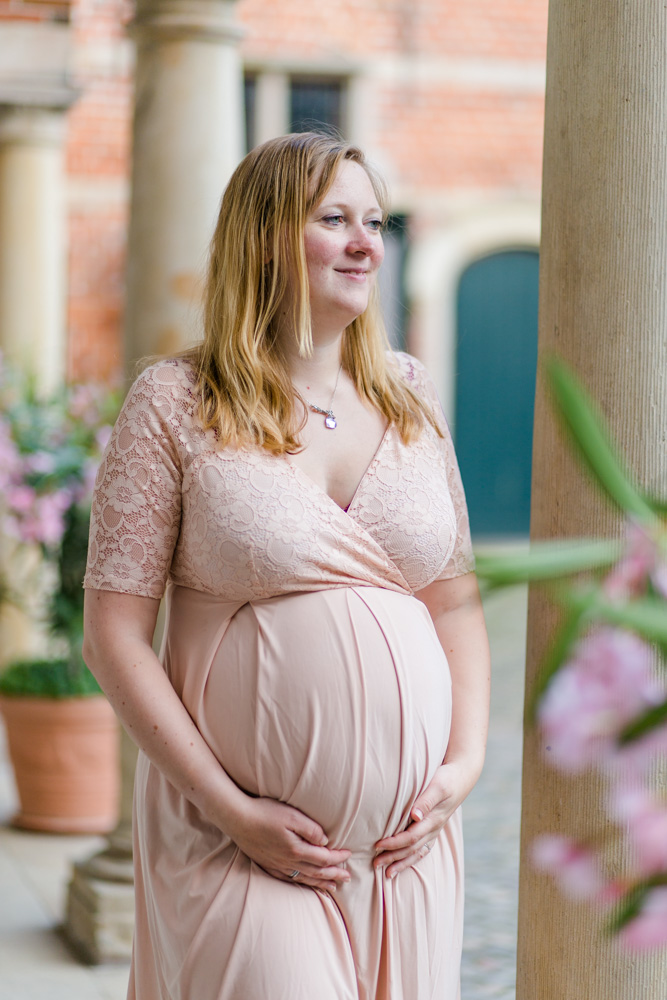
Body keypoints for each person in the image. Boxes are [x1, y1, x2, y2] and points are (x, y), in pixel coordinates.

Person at [83, 132, 490, 1000]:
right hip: (238, 843)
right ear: (263, 237)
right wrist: (230, 810)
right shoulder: (175, 401)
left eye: (374, 221)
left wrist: (463, 766)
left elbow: (453, 605)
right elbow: (113, 636)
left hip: (402, 852)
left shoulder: (411, 393)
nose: (365, 244)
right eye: (333, 219)